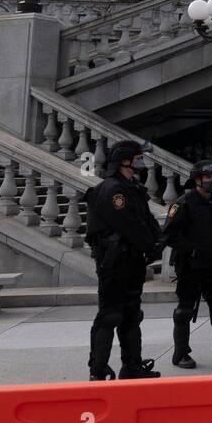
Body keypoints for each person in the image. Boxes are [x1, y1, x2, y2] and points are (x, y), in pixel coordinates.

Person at [85, 140, 164, 380]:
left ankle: (131, 366)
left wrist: (158, 243)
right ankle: (98, 369)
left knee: (131, 315)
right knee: (110, 315)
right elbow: (129, 226)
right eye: (137, 157)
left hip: (132, 262)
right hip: (114, 263)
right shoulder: (112, 190)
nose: (141, 161)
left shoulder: (132, 188)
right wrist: (150, 244)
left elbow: (147, 220)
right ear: (124, 161)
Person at [161, 160, 212, 369]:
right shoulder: (183, 203)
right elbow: (169, 235)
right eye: (207, 177)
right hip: (190, 266)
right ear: (197, 179)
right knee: (184, 312)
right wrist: (192, 249)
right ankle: (181, 355)